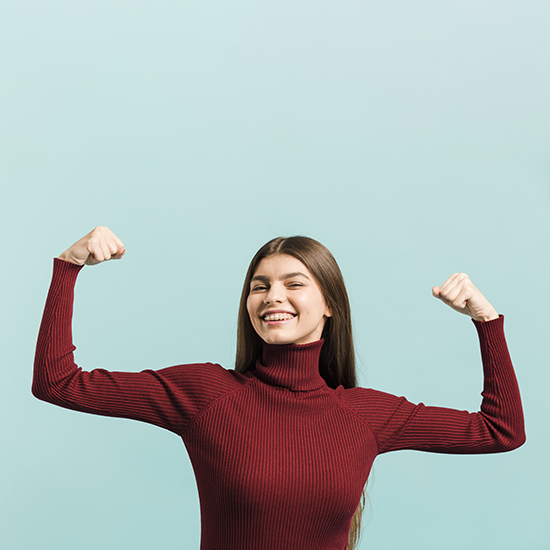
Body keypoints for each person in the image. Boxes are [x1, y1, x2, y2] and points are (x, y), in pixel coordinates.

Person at [33, 226, 525, 550]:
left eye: (294, 283)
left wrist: (486, 321)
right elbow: (57, 383)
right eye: (259, 286)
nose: (274, 298)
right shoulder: (204, 394)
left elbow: (501, 431)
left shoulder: (366, 415)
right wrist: (67, 265)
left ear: (329, 303)